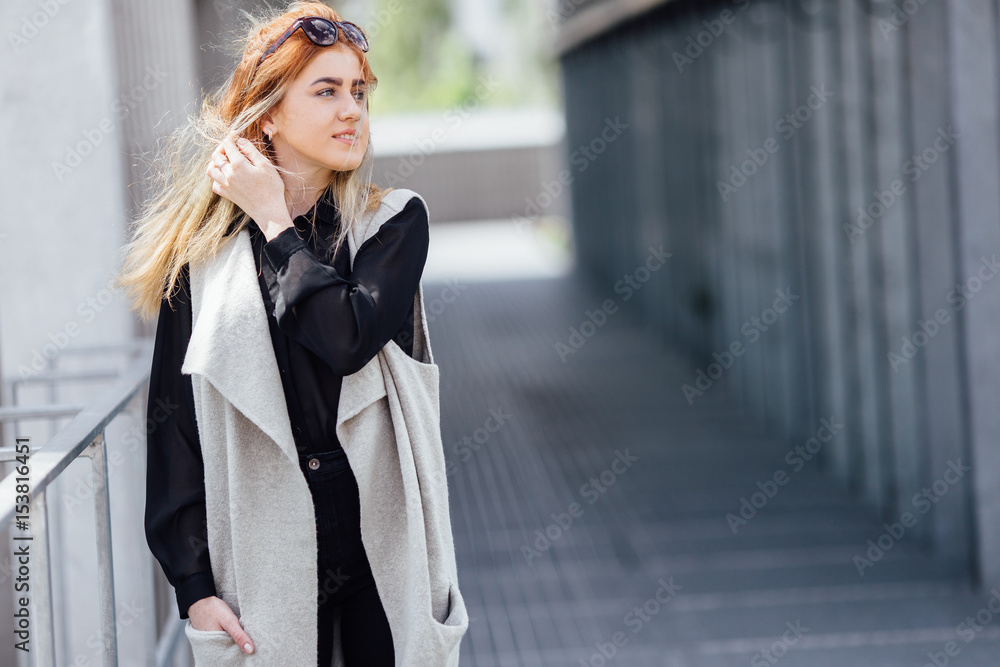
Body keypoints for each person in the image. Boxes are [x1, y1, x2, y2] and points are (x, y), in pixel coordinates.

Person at [115, 3, 466, 665]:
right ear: (269, 114)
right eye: (327, 91)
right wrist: (191, 585)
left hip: (380, 543)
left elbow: (346, 336)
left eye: (358, 91)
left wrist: (276, 223)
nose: (351, 110)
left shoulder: (391, 223)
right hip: (263, 548)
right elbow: (175, 426)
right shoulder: (204, 262)